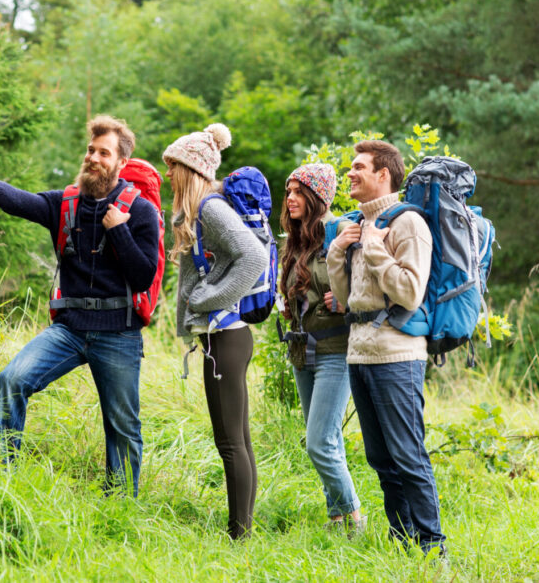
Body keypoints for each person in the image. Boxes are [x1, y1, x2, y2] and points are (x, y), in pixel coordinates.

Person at [0, 115, 160, 496]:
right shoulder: (64, 203)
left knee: (122, 426)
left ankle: (120, 506)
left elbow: (144, 275)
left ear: (120, 163)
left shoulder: (141, 211)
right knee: (12, 380)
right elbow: (22, 203)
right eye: (90, 150)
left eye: (103, 152)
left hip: (118, 332)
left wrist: (119, 229)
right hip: (69, 329)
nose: (93, 158)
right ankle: (3, 477)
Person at [325, 140, 446, 555]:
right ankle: (402, 542)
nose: (351, 174)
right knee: (381, 459)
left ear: (384, 175)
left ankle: (433, 548)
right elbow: (346, 300)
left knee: (408, 456)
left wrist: (374, 247)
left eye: (359, 167)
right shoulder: (360, 223)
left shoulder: (408, 224)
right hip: (359, 353)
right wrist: (337, 253)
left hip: (397, 355)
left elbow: (410, 292)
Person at [162, 123, 267, 540]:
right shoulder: (197, 212)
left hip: (225, 337)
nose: (167, 173)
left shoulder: (210, 209)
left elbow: (254, 257)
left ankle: (238, 537)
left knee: (230, 442)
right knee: (237, 439)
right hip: (225, 338)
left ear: (190, 168)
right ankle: (243, 529)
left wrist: (206, 299)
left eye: (173, 166)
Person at [278, 163, 365, 534]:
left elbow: (367, 281)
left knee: (319, 442)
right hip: (302, 350)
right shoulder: (294, 238)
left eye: (299, 192)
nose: (291, 198)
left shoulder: (344, 232)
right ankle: (336, 519)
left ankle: (355, 515)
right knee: (329, 440)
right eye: (289, 192)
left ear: (318, 197)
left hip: (335, 349)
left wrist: (346, 297)